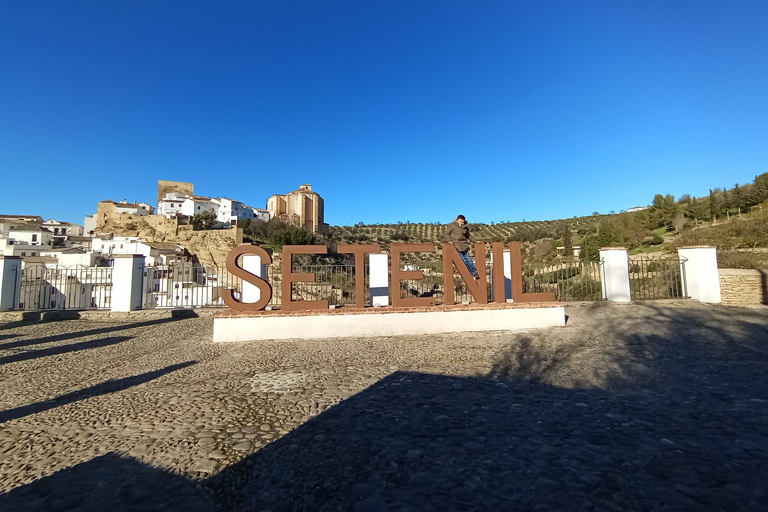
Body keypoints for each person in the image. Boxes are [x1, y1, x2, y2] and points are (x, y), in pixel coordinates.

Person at [444, 214, 480, 279]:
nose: (461, 223)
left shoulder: (465, 227)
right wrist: (449, 241)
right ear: (457, 220)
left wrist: (475, 241)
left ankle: (474, 272)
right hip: (456, 245)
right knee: (462, 260)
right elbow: (447, 234)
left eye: (462, 222)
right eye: (460, 221)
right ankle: (466, 273)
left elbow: (468, 236)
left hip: (464, 245)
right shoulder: (452, 226)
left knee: (468, 260)